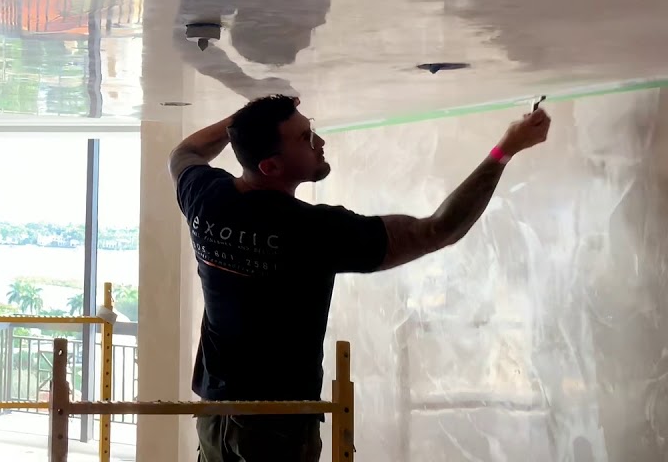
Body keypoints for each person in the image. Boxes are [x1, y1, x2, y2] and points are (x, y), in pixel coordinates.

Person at [169, 95, 551, 461]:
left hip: (215, 414)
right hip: (275, 424)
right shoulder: (314, 231)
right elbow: (440, 229)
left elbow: (184, 153)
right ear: (271, 166)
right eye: (305, 138)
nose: (320, 142)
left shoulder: (206, 198)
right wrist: (506, 149)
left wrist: (241, 121)